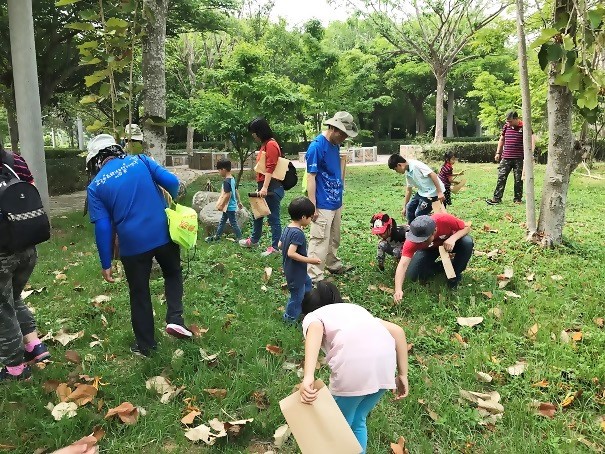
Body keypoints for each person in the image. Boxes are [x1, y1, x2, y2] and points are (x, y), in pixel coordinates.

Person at [86, 134, 192, 357]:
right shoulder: (141, 160)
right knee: (173, 272)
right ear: (116, 150)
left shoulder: (95, 186)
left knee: (139, 292)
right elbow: (172, 182)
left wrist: (106, 262)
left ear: (96, 160)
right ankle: (175, 318)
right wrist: (170, 201)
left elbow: (103, 228)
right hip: (163, 232)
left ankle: (146, 346)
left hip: (132, 244)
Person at [299, 281, 409, 454]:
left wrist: (308, 376)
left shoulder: (314, 316)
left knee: (336, 427)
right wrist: (403, 374)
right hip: (385, 368)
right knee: (358, 419)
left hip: (354, 368)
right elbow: (397, 331)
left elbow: (315, 328)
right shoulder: (355, 310)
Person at [0, 145, 51, 381]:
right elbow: (28, 193)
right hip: (27, 246)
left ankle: (14, 368)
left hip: (2, 254)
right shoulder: (14, 159)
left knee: (3, 308)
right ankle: (34, 346)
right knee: (14, 297)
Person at [306, 111, 358, 282]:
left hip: (336, 201)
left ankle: (333, 263)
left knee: (334, 237)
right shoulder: (316, 147)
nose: (344, 138)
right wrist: (312, 205)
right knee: (319, 238)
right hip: (322, 203)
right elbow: (311, 177)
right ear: (334, 129)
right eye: (343, 134)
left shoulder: (335, 145)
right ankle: (314, 275)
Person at [393, 214, 473, 303]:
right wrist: (398, 290)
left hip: (450, 243)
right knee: (412, 275)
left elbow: (467, 227)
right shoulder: (412, 240)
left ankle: (456, 271)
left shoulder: (444, 219)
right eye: (418, 240)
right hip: (428, 250)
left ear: (434, 231)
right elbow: (403, 264)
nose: (421, 242)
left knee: (467, 242)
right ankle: (441, 266)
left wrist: (453, 238)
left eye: (424, 239)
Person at [239, 118, 284, 257]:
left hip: (272, 188)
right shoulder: (264, 145)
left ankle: (276, 248)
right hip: (264, 186)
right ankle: (254, 240)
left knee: (273, 218)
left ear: (260, 131)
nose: (253, 135)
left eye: (254, 132)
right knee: (257, 214)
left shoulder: (271, 145)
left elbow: (270, 168)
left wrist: (264, 188)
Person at [278, 197, 321, 324]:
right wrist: (310, 260)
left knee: (307, 283)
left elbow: (280, 245)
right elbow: (291, 253)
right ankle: (289, 318)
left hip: (293, 270)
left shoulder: (288, 228)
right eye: (310, 217)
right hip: (296, 272)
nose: (310, 220)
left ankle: (306, 304)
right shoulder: (298, 233)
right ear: (303, 217)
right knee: (296, 296)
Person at [486, 110, 535, 205]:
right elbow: (502, 139)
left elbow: (532, 140)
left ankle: (517, 199)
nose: (508, 123)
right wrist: (498, 152)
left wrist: (530, 154)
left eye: (510, 121)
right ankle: (496, 199)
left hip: (519, 158)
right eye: (507, 121)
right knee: (501, 177)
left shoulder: (525, 126)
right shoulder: (506, 126)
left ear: (516, 119)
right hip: (506, 157)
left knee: (518, 180)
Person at [387, 154, 445, 224]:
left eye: (395, 169)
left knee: (419, 214)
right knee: (409, 207)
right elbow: (408, 190)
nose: (396, 172)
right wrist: (404, 207)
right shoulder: (407, 171)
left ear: (399, 165)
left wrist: (439, 192)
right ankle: (412, 229)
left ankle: (427, 229)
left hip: (433, 192)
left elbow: (433, 174)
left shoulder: (416, 165)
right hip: (422, 192)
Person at [205, 159, 243, 242]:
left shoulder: (226, 181)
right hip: (230, 206)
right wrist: (239, 201)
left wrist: (221, 205)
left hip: (228, 206)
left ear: (223, 169)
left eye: (219, 170)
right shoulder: (232, 179)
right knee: (223, 221)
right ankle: (217, 236)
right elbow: (236, 191)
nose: (219, 172)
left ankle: (240, 238)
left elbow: (227, 194)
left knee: (233, 222)